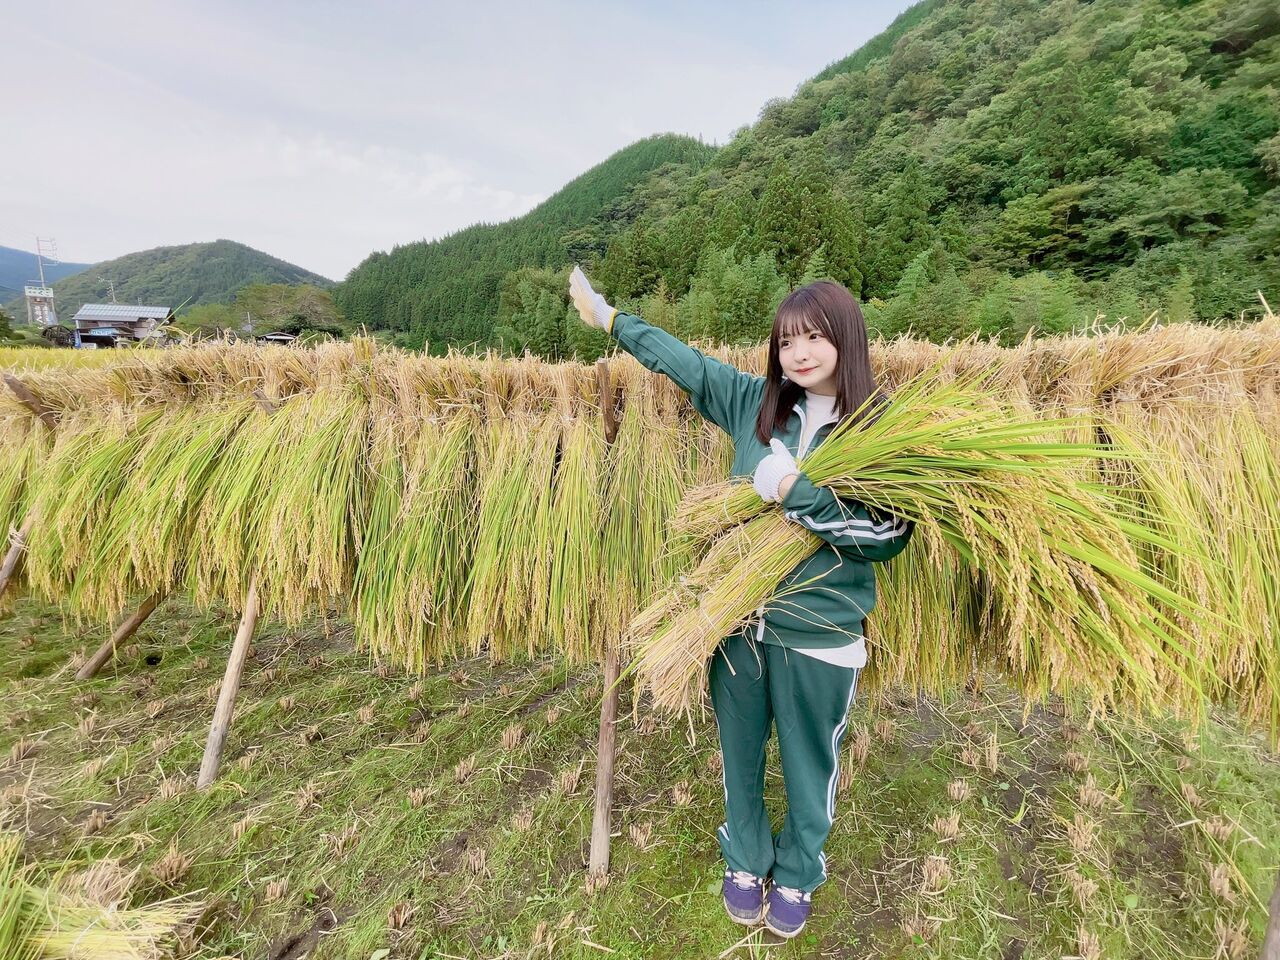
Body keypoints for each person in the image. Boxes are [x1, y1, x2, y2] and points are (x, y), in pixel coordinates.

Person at [568, 266, 915, 939]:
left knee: (811, 765)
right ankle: (747, 860)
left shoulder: (878, 430)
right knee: (741, 753)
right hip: (736, 624)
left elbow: (887, 536)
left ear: (846, 338)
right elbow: (687, 366)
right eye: (787, 341)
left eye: (814, 337)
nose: (800, 353)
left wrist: (794, 493)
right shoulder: (758, 406)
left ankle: (799, 871)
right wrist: (611, 319)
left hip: (820, 630)